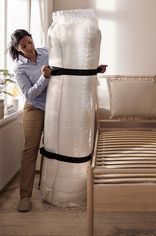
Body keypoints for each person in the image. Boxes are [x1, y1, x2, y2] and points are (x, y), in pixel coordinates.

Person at [8, 29, 107, 212]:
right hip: (35, 108)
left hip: (56, 106)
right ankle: (25, 196)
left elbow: (68, 66)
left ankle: (47, 186)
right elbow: (29, 95)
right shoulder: (19, 68)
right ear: (17, 48)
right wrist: (44, 78)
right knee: (30, 150)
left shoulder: (46, 52)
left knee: (54, 147)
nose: (29, 47)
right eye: (24, 46)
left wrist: (94, 69)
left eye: (30, 42)